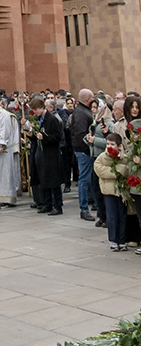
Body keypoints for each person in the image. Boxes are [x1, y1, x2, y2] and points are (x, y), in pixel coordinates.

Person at [26, 95, 63, 215]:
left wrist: (45, 138)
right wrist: (32, 136)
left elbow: (57, 137)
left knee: (53, 180)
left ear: (42, 107)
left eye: (36, 109)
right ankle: (47, 204)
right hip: (40, 153)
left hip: (50, 154)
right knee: (43, 179)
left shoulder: (52, 119)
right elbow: (37, 137)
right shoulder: (38, 119)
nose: (35, 112)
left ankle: (57, 205)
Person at [94, 132, 128, 251]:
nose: (109, 146)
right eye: (108, 144)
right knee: (112, 216)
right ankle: (113, 240)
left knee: (122, 216)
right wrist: (116, 172)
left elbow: (127, 170)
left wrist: (120, 171)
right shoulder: (102, 157)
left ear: (119, 146)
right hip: (109, 191)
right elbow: (99, 170)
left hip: (122, 191)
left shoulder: (124, 158)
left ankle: (122, 240)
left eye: (112, 144)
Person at [70, 88, 96, 221]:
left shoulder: (82, 111)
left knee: (89, 178)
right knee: (84, 179)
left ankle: (93, 203)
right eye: (92, 97)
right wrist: (88, 147)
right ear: (88, 99)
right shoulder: (81, 113)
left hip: (84, 149)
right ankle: (84, 209)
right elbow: (80, 134)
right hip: (83, 150)